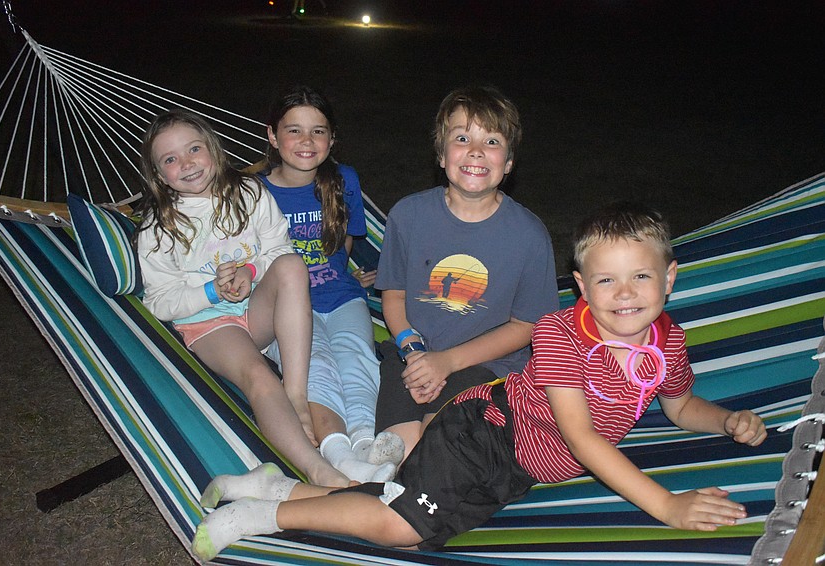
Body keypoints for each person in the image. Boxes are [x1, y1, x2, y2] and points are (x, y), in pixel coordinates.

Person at [190, 201, 768, 561]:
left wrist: (725, 420)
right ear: (581, 286)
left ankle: (273, 489)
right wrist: (665, 506)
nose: (624, 294)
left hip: (518, 467)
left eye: (641, 276)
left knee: (408, 517)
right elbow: (583, 439)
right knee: (400, 527)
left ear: (669, 278)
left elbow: (680, 402)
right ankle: (260, 518)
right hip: (487, 431)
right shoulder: (565, 336)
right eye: (607, 280)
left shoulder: (668, 340)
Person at [133, 108, 349, 488]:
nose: (186, 163)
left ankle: (296, 393)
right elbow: (160, 302)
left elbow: (278, 248)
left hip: (254, 310)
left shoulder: (250, 193)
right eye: (170, 159)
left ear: (214, 150)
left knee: (291, 264)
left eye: (194, 149)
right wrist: (211, 291)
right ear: (157, 174)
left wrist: (250, 275)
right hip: (210, 323)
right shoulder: (160, 226)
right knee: (258, 375)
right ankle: (317, 471)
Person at [374, 85, 559, 459]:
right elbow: (394, 294)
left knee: (432, 453)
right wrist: (413, 350)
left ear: (508, 163)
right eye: (462, 138)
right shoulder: (408, 216)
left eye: (491, 141)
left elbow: (527, 326)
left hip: (487, 365)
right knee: (395, 452)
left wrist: (448, 362)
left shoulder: (528, 235)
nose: (476, 151)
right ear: (442, 155)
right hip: (414, 353)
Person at [256, 85, 402, 483]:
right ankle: (339, 453)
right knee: (315, 364)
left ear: (332, 138)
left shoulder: (343, 180)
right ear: (272, 135)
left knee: (356, 356)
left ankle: (364, 443)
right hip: (284, 308)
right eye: (294, 130)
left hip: (340, 294)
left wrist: (342, 270)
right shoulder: (254, 193)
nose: (307, 141)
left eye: (318, 131)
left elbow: (347, 240)